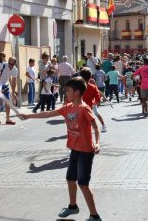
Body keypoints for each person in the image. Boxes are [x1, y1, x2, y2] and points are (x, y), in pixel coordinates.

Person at [19, 77, 102, 221]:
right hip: (75, 149)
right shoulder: (67, 107)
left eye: (68, 90)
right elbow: (48, 113)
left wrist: (97, 142)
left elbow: (96, 126)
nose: (65, 92)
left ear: (76, 92)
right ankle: (72, 206)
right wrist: (28, 116)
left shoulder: (84, 109)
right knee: (70, 179)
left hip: (86, 151)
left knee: (83, 184)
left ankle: (94, 216)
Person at [80, 68, 107, 133]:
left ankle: (103, 125)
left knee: (96, 114)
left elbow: (96, 90)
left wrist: (94, 103)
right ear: (90, 76)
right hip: (84, 106)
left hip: (90, 104)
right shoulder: (79, 85)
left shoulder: (91, 83)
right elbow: (97, 96)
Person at [0, 57, 18, 125]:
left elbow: (14, 81)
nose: (10, 65)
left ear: (14, 64)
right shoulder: (1, 65)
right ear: (8, 61)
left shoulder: (15, 70)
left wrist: (13, 92)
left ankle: (8, 119)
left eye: (12, 64)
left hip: (5, 86)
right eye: (9, 63)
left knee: (7, 103)